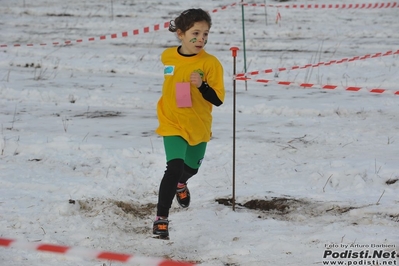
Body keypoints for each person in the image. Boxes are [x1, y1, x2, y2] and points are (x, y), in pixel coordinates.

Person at [153, 8, 225, 238]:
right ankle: (161, 219)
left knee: (190, 168)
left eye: (205, 34)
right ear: (181, 34)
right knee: (173, 168)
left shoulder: (211, 64)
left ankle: (182, 184)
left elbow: (218, 99)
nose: (201, 39)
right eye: (196, 33)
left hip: (198, 124)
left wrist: (202, 86)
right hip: (172, 120)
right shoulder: (167, 56)